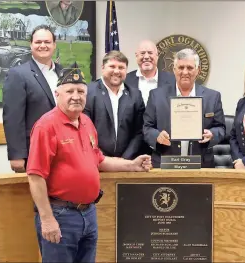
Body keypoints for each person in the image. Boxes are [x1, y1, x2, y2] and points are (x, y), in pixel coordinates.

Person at [26, 62, 151, 263]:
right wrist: (47, 219)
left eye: (81, 91)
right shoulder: (46, 126)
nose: (76, 96)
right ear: (57, 94)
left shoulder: (86, 122)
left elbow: (98, 160)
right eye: (70, 91)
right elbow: (35, 176)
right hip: (61, 216)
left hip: (89, 214)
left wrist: (132, 165)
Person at [143, 48, 225, 168]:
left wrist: (212, 134)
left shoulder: (213, 97)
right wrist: (157, 136)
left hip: (201, 164)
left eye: (190, 68)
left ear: (198, 70)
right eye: (181, 68)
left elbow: (221, 128)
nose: (185, 72)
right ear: (174, 70)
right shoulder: (156, 95)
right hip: (165, 163)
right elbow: (146, 128)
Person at [3, 24, 62, 173]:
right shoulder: (17, 74)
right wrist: (16, 155)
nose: (43, 45)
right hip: (34, 151)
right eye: (38, 42)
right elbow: (13, 117)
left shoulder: (64, 72)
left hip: (64, 150)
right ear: (31, 45)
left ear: (54, 45)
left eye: (47, 42)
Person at [84, 51, 145, 159]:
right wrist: (101, 157)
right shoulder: (88, 92)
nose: (116, 71)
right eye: (112, 66)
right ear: (102, 67)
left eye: (121, 67)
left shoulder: (135, 95)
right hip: (96, 160)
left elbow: (139, 132)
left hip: (127, 162)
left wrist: (124, 159)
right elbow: (85, 130)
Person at [125, 39, 175, 106]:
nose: (146, 57)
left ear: (157, 56)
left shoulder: (172, 80)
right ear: (136, 56)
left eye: (150, 53)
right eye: (142, 53)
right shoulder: (126, 80)